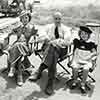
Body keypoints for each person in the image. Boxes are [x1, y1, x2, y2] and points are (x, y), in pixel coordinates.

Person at [29, 12, 72, 95]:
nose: (58, 20)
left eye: (59, 18)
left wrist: (57, 41)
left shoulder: (65, 29)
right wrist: (48, 38)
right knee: (52, 51)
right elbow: (41, 35)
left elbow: (67, 41)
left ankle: (40, 70)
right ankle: (50, 83)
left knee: (53, 48)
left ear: (61, 19)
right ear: (53, 19)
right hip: (49, 50)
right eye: (56, 18)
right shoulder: (48, 27)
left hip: (61, 50)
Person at [7, 11, 37, 86]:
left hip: (26, 47)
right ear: (20, 19)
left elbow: (36, 36)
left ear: (29, 18)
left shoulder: (32, 27)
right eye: (22, 18)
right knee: (18, 51)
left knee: (18, 45)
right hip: (17, 47)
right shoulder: (19, 27)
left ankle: (12, 67)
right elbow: (10, 31)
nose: (24, 19)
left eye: (26, 18)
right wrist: (9, 34)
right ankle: (19, 76)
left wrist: (32, 40)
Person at [70, 26, 97, 93]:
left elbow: (95, 52)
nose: (84, 35)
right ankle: (75, 81)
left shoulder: (90, 44)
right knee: (75, 67)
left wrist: (90, 56)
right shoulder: (77, 42)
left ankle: (83, 84)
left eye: (86, 34)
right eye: (82, 34)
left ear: (88, 35)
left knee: (85, 69)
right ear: (80, 34)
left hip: (87, 61)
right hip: (77, 60)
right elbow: (70, 43)